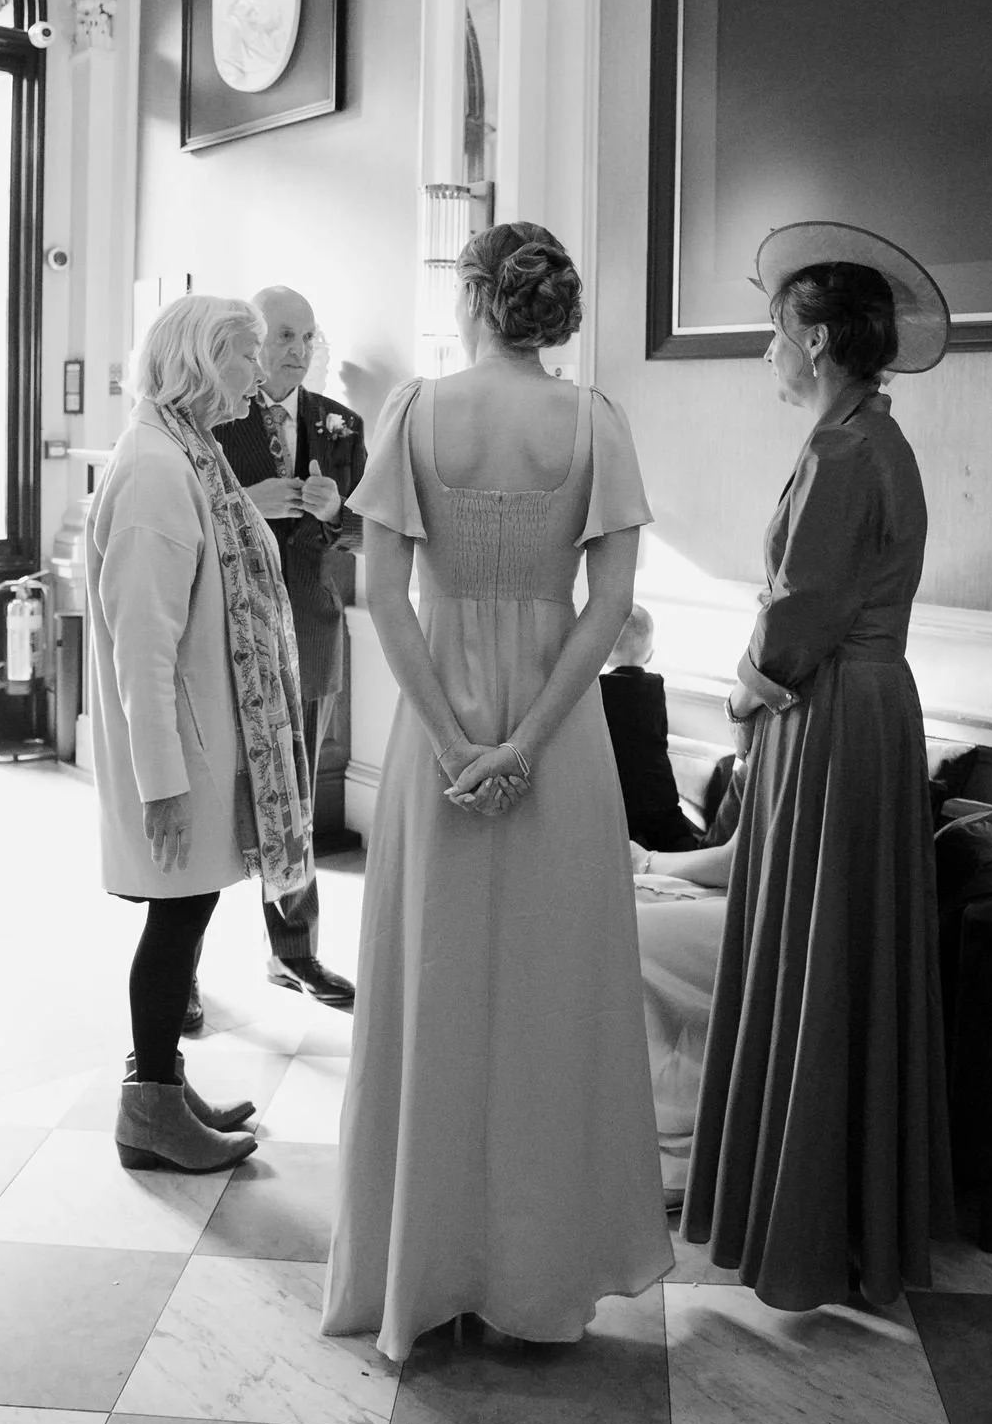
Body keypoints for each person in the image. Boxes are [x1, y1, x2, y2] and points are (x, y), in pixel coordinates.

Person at [322, 222, 673, 1361]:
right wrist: (521, 744)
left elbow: (382, 596)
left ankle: (425, 1273)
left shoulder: (414, 414)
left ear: (474, 296)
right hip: (559, 742)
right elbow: (607, 607)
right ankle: (536, 1282)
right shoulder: (594, 421)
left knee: (432, 988)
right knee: (550, 1003)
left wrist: (454, 744)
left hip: (436, 738)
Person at [681, 221, 955, 1310]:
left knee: (816, 950)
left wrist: (743, 690)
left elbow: (799, 613)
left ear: (816, 339)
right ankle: (844, 1214)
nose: (766, 353)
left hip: (831, 711)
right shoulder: (873, 436)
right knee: (835, 949)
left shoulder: (844, 452)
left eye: (774, 334)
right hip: (866, 707)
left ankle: (805, 1222)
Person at [85, 295, 312, 1172]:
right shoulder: (155, 467)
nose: (258, 375)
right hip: (180, 751)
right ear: (200, 361)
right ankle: (148, 1109)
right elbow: (142, 643)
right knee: (176, 921)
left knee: (189, 914)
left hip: (202, 739)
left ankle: (163, 1088)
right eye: (245, 355)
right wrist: (162, 784)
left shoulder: (186, 449)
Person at [198, 284, 364, 1015]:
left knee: (295, 802)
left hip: (311, 632)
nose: (297, 351)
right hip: (227, 636)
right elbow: (187, 517)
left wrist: (337, 513)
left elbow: (367, 530)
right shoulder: (209, 417)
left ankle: (293, 954)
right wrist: (246, 503)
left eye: (307, 337)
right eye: (283, 336)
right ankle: (181, 971)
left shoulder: (340, 424)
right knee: (214, 803)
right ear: (252, 341)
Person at [599, 605, 699, 852]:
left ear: (603, 652)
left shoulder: (597, 690)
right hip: (658, 793)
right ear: (650, 654)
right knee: (678, 841)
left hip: (617, 798)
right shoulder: (654, 687)